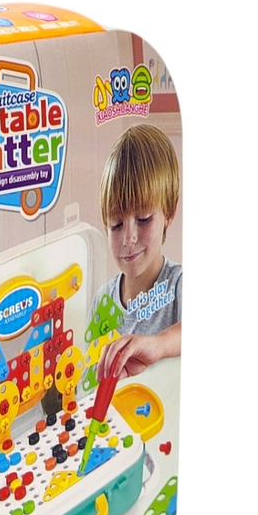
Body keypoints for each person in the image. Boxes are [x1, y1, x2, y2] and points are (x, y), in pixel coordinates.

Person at [92, 124, 182, 380]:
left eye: (143, 219)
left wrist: (157, 344)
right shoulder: (102, 301)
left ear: (169, 213)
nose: (128, 238)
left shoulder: (179, 285)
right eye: (116, 224)